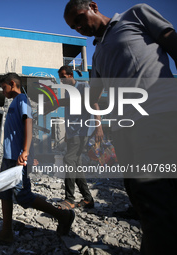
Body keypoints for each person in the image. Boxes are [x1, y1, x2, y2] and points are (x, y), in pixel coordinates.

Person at [64, 1, 177, 254]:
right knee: (140, 195)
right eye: (74, 27)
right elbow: (94, 95)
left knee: (155, 194)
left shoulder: (135, 15)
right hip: (126, 129)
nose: (79, 27)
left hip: (158, 116)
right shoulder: (97, 54)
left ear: (92, 6)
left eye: (80, 19)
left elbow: (172, 41)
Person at [0, 72, 75, 243]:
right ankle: (6, 233)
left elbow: (28, 121)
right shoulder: (14, 102)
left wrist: (26, 151)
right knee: (5, 193)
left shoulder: (22, 99)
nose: (2, 90)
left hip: (18, 158)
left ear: (12, 83)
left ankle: (63, 216)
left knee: (23, 195)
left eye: (3, 87)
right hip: (9, 157)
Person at [55, 65, 103, 210]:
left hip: (81, 133)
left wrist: (98, 127)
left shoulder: (83, 86)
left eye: (63, 77)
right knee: (76, 165)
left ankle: (69, 199)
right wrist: (66, 133)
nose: (61, 80)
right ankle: (88, 199)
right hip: (72, 133)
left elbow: (94, 104)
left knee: (68, 160)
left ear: (70, 75)